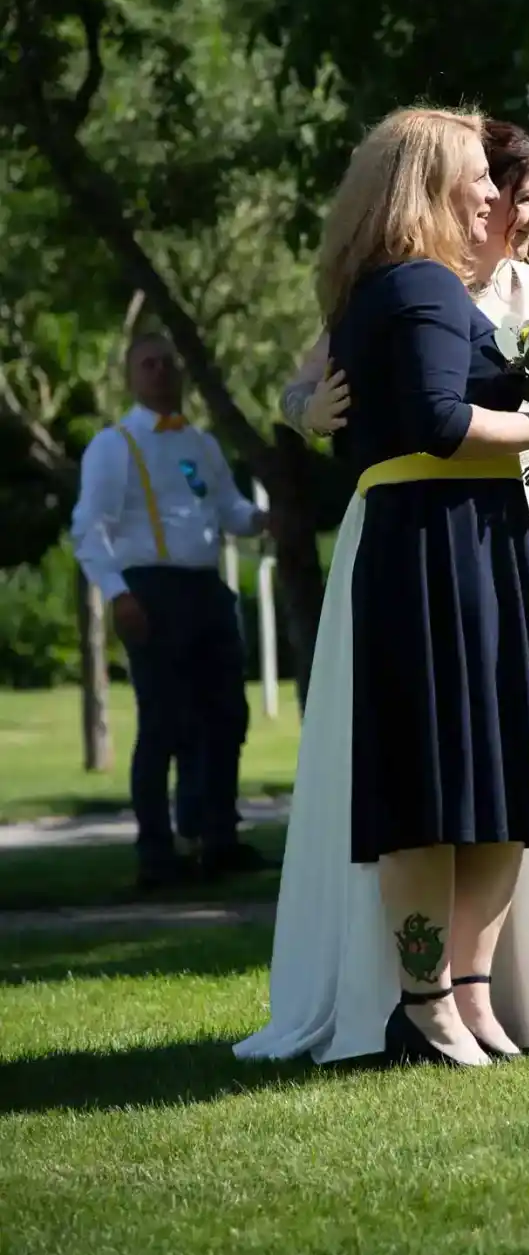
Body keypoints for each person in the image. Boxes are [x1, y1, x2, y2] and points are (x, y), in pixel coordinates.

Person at [238, 118, 529, 1070]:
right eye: (482, 182)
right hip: (435, 546)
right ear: (429, 184)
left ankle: (466, 995)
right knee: (435, 787)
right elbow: (432, 417)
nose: (499, 203)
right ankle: (428, 1002)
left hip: (485, 540)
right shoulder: (414, 283)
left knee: (503, 784)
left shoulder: (435, 284)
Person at [70, 333, 273, 889]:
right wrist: (117, 593)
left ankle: (217, 837)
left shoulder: (202, 444)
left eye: (168, 363)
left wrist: (261, 521)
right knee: (164, 725)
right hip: (150, 591)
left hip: (205, 590)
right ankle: (156, 853)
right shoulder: (115, 445)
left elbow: (227, 507)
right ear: (131, 376)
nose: (160, 372)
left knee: (225, 717)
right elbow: (89, 529)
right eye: (148, 364)